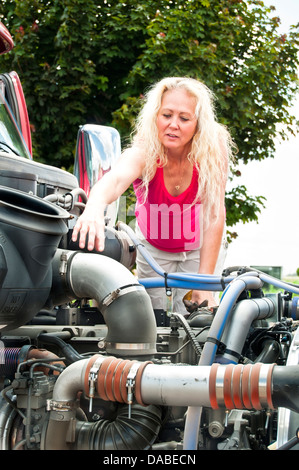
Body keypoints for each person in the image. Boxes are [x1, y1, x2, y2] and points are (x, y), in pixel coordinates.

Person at [72, 77, 235, 314]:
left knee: (197, 318)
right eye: (167, 115)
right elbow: (115, 179)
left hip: (201, 244)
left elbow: (214, 212)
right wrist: (94, 208)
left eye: (184, 118)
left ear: (198, 123)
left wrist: (205, 282)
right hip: (154, 246)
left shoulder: (213, 146)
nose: (173, 125)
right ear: (155, 116)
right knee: (150, 318)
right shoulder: (146, 149)